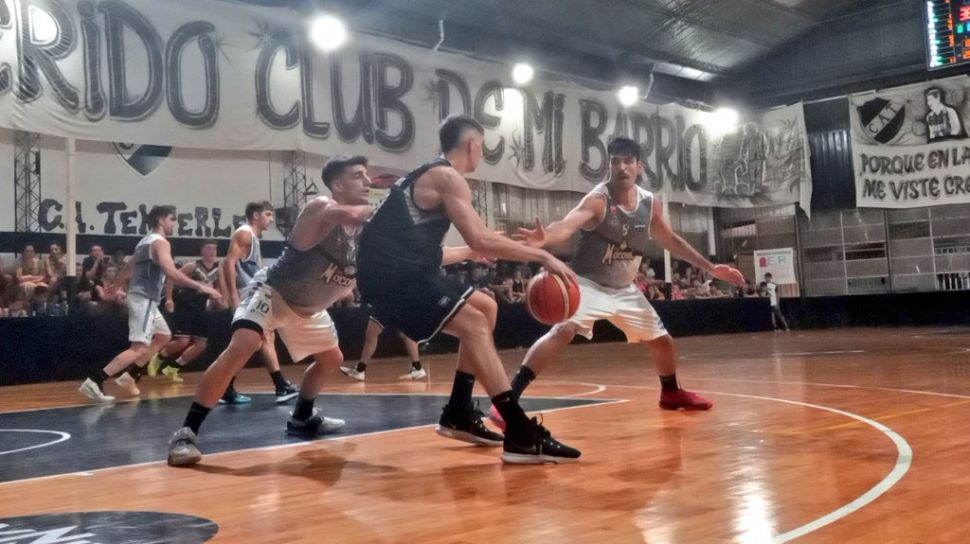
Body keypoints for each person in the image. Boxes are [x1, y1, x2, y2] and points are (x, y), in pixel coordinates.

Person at [357, 114, 581, 464]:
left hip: (395, 270)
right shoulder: (448, 177)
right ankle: (520, 434)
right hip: (393, 277)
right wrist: (541, 255)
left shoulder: (424, 176)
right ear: (473, 144)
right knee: (474, 324)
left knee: (487, 307)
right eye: (482, 145)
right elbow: (480, 237)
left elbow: (436, 249)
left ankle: (459, 412)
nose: (482, 152)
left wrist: (469, 252)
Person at [489, 137, 745, 430]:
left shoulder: (649, 203)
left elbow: (670, 240)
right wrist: (547, 236)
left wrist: (710, 267)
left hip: (624, 290)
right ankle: (507, 401)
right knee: (562, 331)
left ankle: (671, 392)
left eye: (627, 161)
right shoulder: (598, 200)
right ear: (608, 165)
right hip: (587, 284)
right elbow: (567, 225)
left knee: (662, 342)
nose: (621, 167)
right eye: (615, 161)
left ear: (639, 166)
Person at [167, 155, 373, 467]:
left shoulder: (363, 235)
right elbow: (352, 214)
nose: (368, 181)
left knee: (332, 359)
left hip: (308, 308)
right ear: (338, 185)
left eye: (368, 176)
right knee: (243, 346)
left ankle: (302, 417)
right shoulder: (321, 206)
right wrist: (393, 206)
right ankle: (186, 434)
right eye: (358, 175)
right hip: (274, 292)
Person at [78, 206, 222, 403]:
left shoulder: (144, 241)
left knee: (163, 336)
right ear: (161, 220)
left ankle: (131, 375)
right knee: (138, 348)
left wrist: (116, 285)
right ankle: (95, 380)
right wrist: (201, 286)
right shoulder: (160, 243)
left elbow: (129, 267)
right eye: (172, 219)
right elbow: (171, 272)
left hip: (146, 299)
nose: (173, 223)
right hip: (144, 298)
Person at [221, 201, 298, 404]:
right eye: (268, 215)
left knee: (263, 339)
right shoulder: (244, 233)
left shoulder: (253, 237)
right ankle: (278, 386)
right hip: (246, 295)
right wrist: (233, 296)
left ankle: (278, 385)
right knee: (252, 341)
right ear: (256, 215)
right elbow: (228, 263)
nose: (271, 220)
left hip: (254, 294)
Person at [148, 240, 223, 383]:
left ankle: (173, 368)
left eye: (214, 249)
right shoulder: (193, 266)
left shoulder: (218, 269)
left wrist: (217, 296)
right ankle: (159, 357)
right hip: (186, 306)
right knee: (182, 341)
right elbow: (171, 279)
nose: (212, 252)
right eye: (208, 248)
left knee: (201, 345)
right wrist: (169, 299)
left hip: (202, 308)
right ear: (202, 251)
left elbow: (218, 287)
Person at [339, 318, 425, 381]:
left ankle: (360, 370)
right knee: (372, 333)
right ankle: (417, 367)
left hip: (389, 304)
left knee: (371, 333)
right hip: (391, 303)